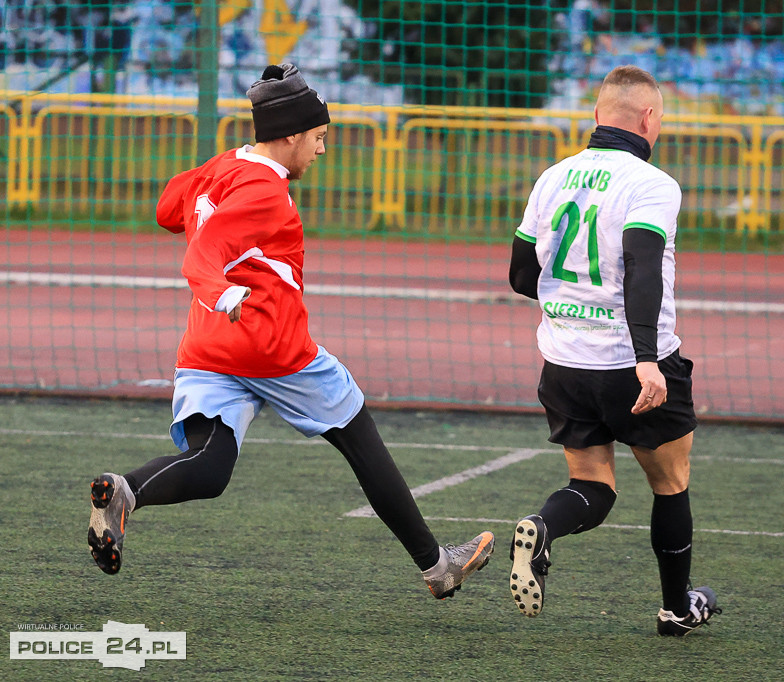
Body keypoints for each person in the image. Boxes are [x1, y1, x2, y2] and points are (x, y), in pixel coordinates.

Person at [87, 63, 495, 599]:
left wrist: (206, 201)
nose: (322, 150)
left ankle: (126, 491)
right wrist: (223, 287)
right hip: (273, 346)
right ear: (291, 134)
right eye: (319, 138)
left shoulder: (228, 166)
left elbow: (168, 208)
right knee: (358, 436)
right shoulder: (265, 192)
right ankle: (437, 566)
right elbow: (202, 254)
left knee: (210, 467)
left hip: (208, 344)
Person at [507, 65, 720, 635]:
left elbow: (521, 276)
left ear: (598, 115)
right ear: (650, 118)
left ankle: (542, 527)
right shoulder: (653, 184)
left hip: (565, 364)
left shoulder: (553, 177)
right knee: (670, 483)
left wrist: (572, 299)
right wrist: (648, 360)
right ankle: (677, 609)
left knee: (591, 488)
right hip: (633, 364)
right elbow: (641, 266)